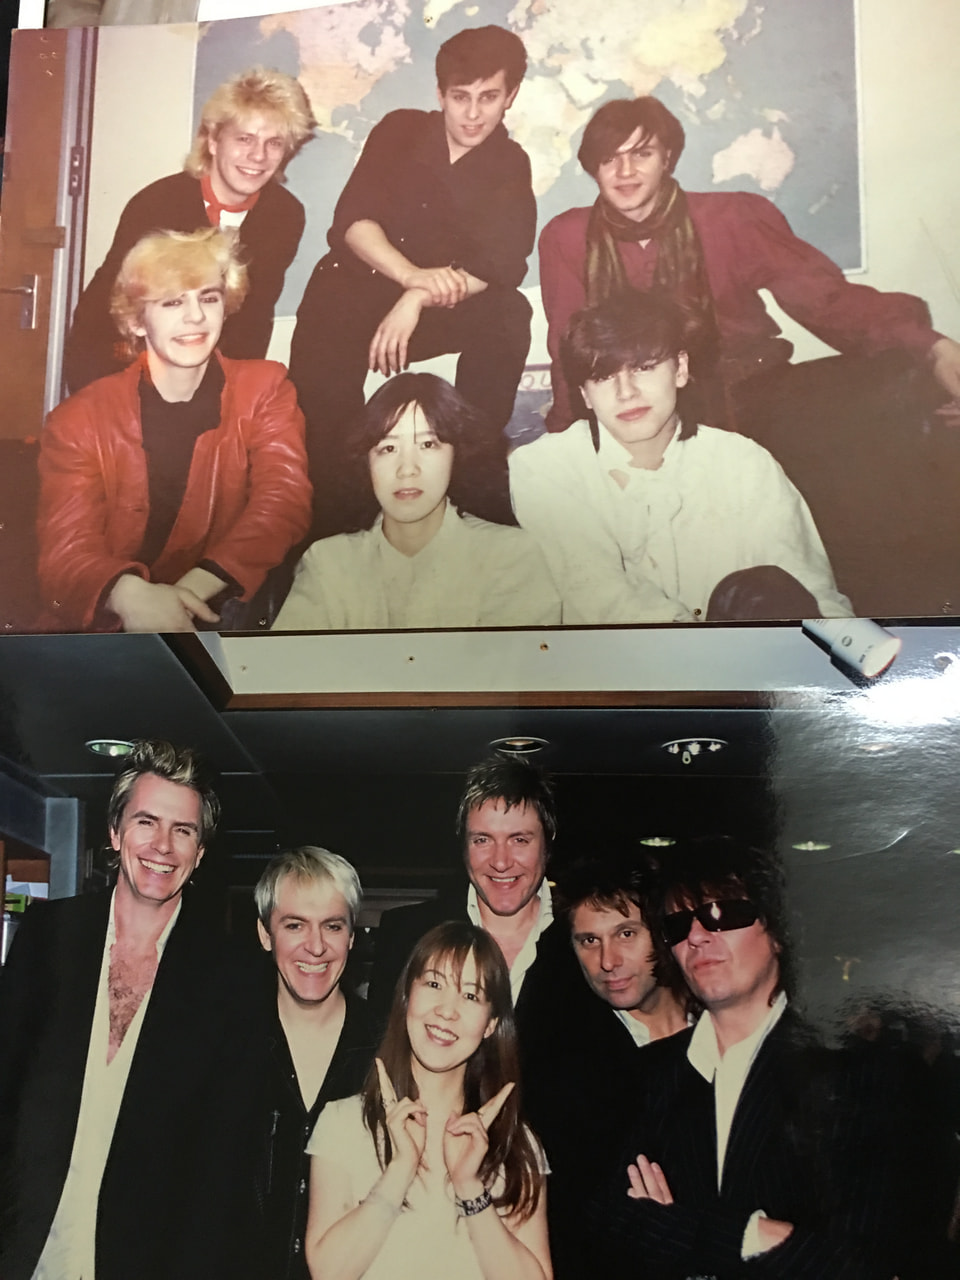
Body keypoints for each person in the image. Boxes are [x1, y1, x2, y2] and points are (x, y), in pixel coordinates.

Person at [538, 96, 960, 614]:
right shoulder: (566, 236)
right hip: (652, 401)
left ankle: (884, 608)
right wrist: (568, 435)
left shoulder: (731, 217)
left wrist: (933, 348)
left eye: (641, 153)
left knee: (894, 383)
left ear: (668, 157)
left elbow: (825, 300)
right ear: (593, 168)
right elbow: (569, 344)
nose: (625, 172)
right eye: (610, 158)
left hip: (754, 390)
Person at [593, 836, 922, 1279]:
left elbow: (862, 1264)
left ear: (779, 931)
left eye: (721, 914)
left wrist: (680, 1230)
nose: (696, 936)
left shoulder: (855, 1074)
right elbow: (611, 1230)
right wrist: (754, 1235)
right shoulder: (645, 1076)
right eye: (679, 924)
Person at [0, 740, 258, 1280]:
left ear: (200, 852)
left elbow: (221, 1168)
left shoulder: (232, 978)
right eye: (146, 822)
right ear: (115, 833)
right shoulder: (48, 936)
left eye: (183, 830)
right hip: (23, 1252)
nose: (162, 846)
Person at [289, 25, 536, 533]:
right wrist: (412, 278)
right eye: (460, 97)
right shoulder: (399, 129)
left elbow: (502, 264)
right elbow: (352, 223)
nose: (473, 114)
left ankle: (474, 487)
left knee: (511, 312)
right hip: (355, 293)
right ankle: (334, 520)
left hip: (435, 309)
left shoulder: (511, 164)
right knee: (327, 332)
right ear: (440, 94)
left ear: (511, 96)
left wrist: (417, 297)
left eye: (489, 97)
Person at [509, 291, 852, 623]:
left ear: (681, 369)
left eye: (643, 368)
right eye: (603, 376)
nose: (625, 392)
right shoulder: (545, 468)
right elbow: (601, 597)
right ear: (584, 393)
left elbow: (808, 591)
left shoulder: (742, 461)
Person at [37, 227, 312, 633]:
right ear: (136, 322)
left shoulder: (264, 389)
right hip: (108, 625)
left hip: (215, 608)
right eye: (172, 302)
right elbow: (66, 552)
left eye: (209, 297)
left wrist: (185, 596)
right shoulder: (78, 419)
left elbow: (282, 503)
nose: (196, 316)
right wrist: (133, 596)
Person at [304, 920, 552, 1279]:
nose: (447, 1010)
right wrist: (400, 1170)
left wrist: (470, 1188)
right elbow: (329, 1272)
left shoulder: (516, 1143)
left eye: (470, 996)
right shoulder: (343, 1123)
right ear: (408, 995)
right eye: (434, 984)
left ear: (491, 1024)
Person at [64, 66, 314, 392]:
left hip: (213, 378)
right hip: (125, 367)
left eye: (274, 143)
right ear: (213, 140)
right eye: (244, 139)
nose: (258, 156)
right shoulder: (157, 204)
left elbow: (253, 316)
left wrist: (234, 395)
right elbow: (112, 307)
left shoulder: (284, 215)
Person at [272, 372, 560, 630]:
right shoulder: (329, 562)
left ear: (457, 454)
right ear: (366, 461)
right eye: (388, 448)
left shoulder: (510, 555)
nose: (407, 469)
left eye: (427, 444)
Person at [524, 856, 693, 1278]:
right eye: (588, 941)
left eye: (626, 934)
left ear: (662, 932)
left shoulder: (723, 1028)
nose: (607, 960)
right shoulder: (563, 1070)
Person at [366, 756, 584, 1047]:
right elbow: (381, 1049)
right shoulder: (405, 934)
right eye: (482, 840)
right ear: (463, 845)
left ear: (548, 842)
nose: (501, 862)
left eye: (519, 840)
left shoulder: (589, 941)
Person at [250, 847, 377, 1280]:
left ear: (352, 936)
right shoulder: (226, 1044)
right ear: (265, 934)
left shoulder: (389, 1050)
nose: (317, 946)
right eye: (295, 925)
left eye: (333, 926)